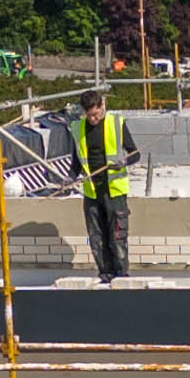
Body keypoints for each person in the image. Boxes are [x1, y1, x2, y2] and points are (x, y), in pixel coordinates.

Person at [75, 103, 133, 279]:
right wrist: (69, 177)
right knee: (97, 238)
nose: (93, 119)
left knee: (117, 236)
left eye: (96, 114)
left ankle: (121, 274)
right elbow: (76, 161)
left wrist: (124, 162)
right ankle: (105, 273)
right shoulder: (77, 128)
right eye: (89, 115)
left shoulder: (115, 123)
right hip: (92, 192)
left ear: (102, 107)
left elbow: (134, 153)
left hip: (114, 191)